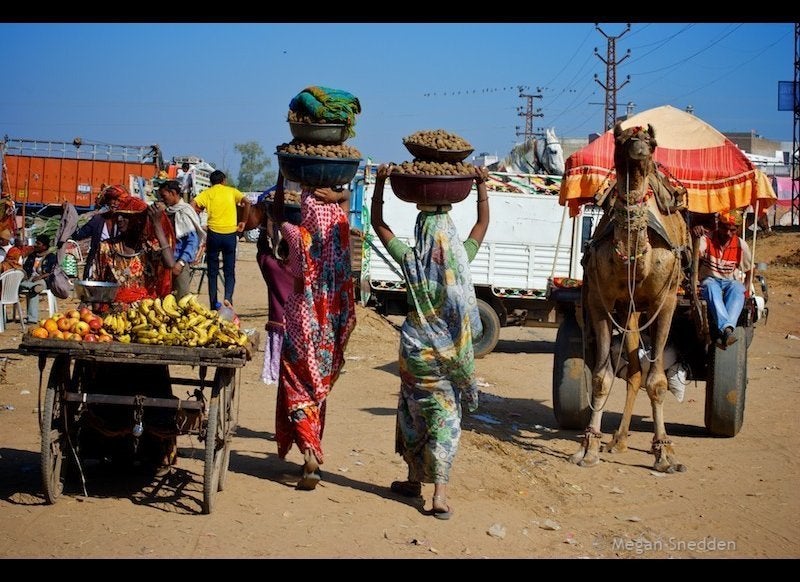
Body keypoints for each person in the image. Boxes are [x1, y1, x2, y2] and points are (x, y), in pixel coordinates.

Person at [370, 163, 490, 520]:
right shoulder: (462, 259)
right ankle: (438, 494)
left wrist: (379, 186)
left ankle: (412, 480)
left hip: (414, 354)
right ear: (449, 237)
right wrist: (482, 186)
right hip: (448, 355)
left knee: (412, 411)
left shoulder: (411, 260)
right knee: (444, 417)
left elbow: (378, 224)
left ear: (421, 234)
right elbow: (481, 226)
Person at [272, 174, 356, 490]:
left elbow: (278, 214)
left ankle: (309, 452)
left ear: (306, 213)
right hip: (327, 326)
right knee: (317, 388)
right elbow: (344, 201)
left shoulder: (297, 237)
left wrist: (282, 179)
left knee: (296, 386)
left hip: (298, 321)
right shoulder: (340, 235)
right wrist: (336, 199)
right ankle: (312, 446)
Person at [85, 195, 179, 474]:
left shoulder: (150, 248)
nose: (123, 221)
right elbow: (95, 282)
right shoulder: (105, 249)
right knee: (112, 383)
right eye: (120, 217)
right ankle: (113, 448)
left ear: (141, 221)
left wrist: (157, 225)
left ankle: (154, 448)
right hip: (113, 322)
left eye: (130, 217)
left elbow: (171, 263)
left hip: (145, 323)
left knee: (152, 381)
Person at [252, 194, 298, 385]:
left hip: (278, 325)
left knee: (280, 373)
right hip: (299, 328)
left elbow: (261, 249)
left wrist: (265, 225)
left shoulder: (274, 268)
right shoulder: (305, 272)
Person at [190, 170, 251, 309]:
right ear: (224, 180)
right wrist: (243, 221)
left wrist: (197, 220)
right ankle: (228, 297)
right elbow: (247, 202)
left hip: (214, 235)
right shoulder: (231, 191)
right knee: (229, 270)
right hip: (230, 234)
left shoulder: (207, 193)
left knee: (212, 271)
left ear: (211, 182)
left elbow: (192, 203)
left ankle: (213, 304)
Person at [696, 210, 753, 348]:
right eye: (725, 228)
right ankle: (727, 329)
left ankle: (726, 329)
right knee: (710, 287)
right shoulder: (707, 239)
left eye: (732, 230)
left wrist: (746, 289)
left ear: (737, 229)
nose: (728, 233)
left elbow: (750, 270)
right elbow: (697, 253)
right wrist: (696, 237)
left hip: (729, 281)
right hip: (710, 279)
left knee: (738, 288)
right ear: (719, 225)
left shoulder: (741, 245)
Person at [156, 179, 206, 300]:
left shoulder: (185, 212)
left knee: (181, 299)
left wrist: (181, 262)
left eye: (164, 196)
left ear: (173, 193)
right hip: (164, 264)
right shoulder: (167, 212)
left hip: (179, 264)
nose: (162, 199)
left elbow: (192, 241)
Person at [67, 184, 128, 279]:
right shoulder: (97, 220)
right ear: (108, 201)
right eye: (112, 200)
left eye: (118, 200)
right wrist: (70, 218)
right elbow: (78, 235)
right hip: (97, 266)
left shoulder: (127, 222)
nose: (115, 203)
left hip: (120, 267)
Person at [19, 234, 58, 325]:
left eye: (38, 243)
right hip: (31, 280)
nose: (35, 244)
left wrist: (40, 277)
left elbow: (53, 271)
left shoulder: (51, 257)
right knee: (31, 288)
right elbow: (25, 268)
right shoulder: (32, 256)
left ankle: (32, 319)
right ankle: (34, 287)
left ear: (44, 246)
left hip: (44, 280)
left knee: (37, 286)